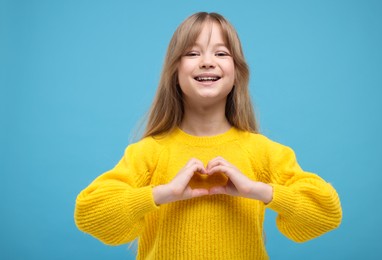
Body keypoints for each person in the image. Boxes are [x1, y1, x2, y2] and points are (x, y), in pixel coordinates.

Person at [74, 12, 342, 259]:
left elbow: (326, 213)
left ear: (237, 72)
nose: (206, 62)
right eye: (192, 53)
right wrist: (162, 194)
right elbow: (89, 212)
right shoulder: (148, 153)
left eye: (221, 53)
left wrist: (256, 190)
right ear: (174, 71)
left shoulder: (263, 152)